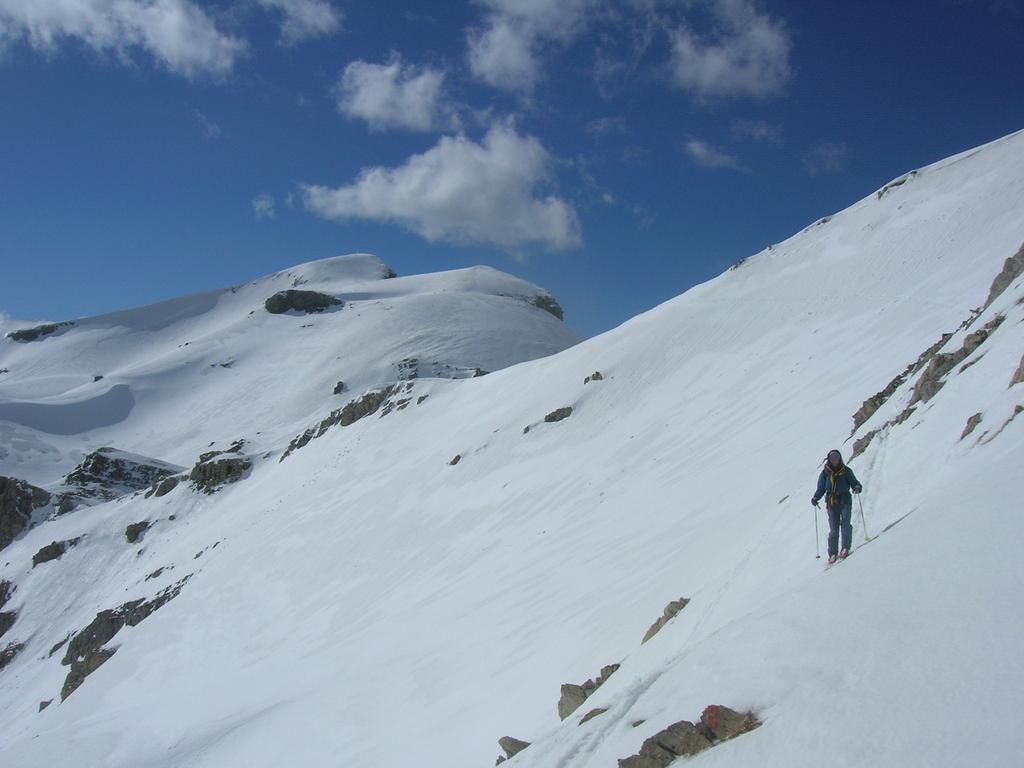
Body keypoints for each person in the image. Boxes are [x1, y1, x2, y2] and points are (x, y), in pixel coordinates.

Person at [812, 449, 863, 564]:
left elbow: (854, 482)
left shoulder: (846, 471)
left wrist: (857, 487)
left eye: (836, 458)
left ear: (839, 458)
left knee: (845, 524)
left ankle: (845, 547)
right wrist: (815, 498)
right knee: (834, 529)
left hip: (845, 501)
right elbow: (821, 488)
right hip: (832, 503)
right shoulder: (825, 473)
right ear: (829, 460)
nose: (835, 460)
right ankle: (832, 553)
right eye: (832, 458)